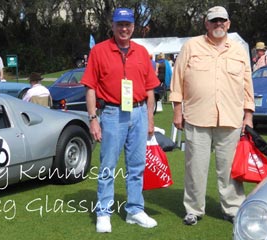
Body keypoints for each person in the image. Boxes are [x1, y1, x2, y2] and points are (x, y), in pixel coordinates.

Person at [169, 6, 254, 226]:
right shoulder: (191, 46)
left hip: (231, 117)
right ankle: (193, 209)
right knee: (195, 166)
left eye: (222, 21)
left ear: (228, 24)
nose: (218, 24)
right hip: (197, 116)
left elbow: (247, 86)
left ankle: (233, 208)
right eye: (213, 21)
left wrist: (248, 115)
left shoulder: (238, 50)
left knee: (229, 169)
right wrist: (177, 110)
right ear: (206, 23)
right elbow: (177, 79)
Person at [80, 7, 160, 233]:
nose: (124, 29)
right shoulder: (99, 51)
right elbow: (90, 87)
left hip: (139, 112)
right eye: (120, 24)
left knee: (137, 166)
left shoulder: (142, 52)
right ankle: (103, 212)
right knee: (108, 165)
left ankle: (134, 210)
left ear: (133, 27)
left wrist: (150, 118)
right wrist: (93, 118)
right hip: (112, 114)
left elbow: (150, 89)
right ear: (113, 26)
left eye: (128, 25)